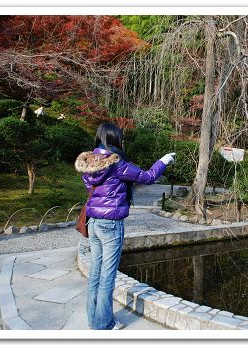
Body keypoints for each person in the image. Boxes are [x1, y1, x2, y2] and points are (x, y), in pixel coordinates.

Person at [75, 122, 175, 330]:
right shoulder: (117, 163)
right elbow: (148, 177)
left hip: (93, 222)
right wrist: (164, 161)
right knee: (107, 276)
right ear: (114, 139)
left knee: (95, 272)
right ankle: (104, 325)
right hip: (110, 224)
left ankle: (94, 320)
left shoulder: (89, 161)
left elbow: (89, 186)